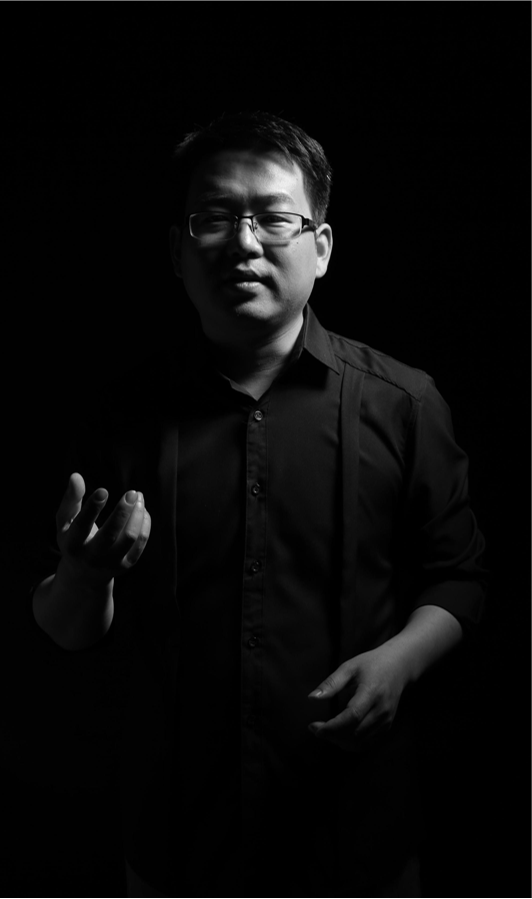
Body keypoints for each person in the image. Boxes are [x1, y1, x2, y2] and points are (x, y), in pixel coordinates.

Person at [29, 110, 488, 898]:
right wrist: (83, 573)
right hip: (177, 843)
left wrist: (400, 662)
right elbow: (66, 628)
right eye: (214, 217)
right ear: (178, 251)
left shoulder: (407, 404)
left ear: (322, 246)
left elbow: (461, 576)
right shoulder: (121, 413)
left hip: (358, 839)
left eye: (274, 217)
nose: (243, 242)